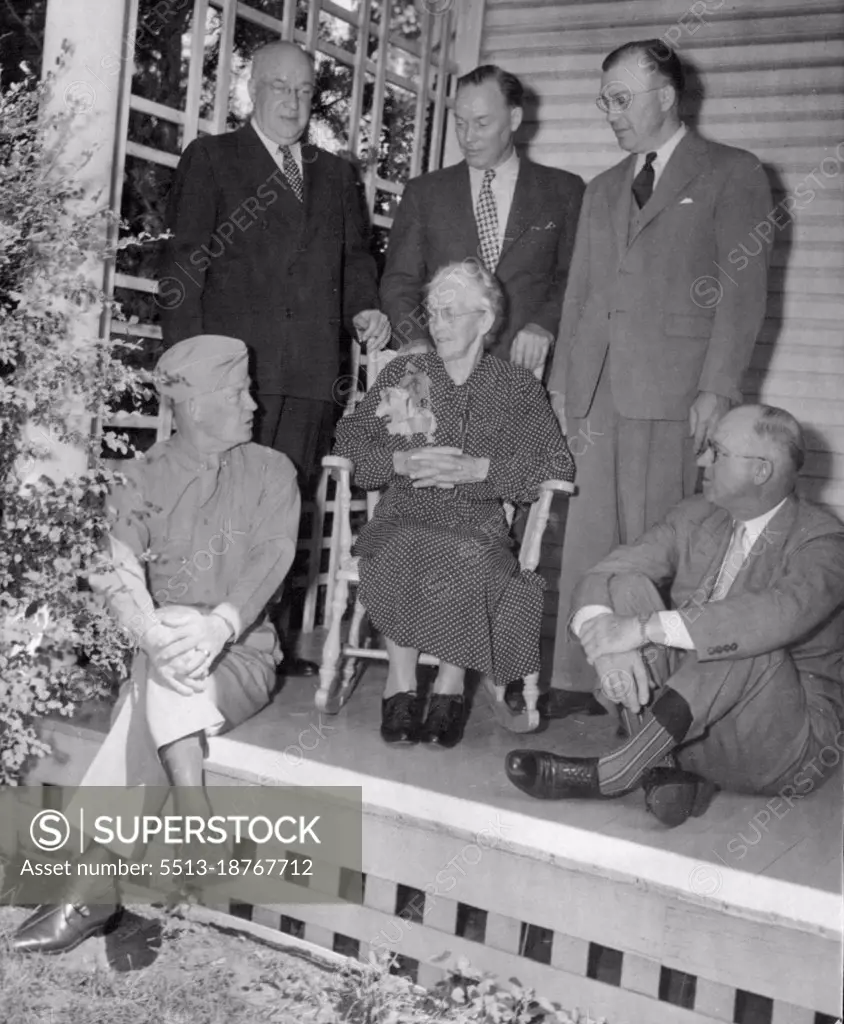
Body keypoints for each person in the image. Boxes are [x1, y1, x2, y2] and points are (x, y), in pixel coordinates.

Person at [13, 335, 301, 954]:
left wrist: (220, 623)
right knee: (159, 643)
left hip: (241, 655)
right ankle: (179, 834)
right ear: (194, 406)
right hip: (164, 653)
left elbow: (271, 558)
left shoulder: (273, 471)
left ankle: (91, 881)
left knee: (151, 676)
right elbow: (119, 571)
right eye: (237, 393)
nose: (254, 403)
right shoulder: (137, 478)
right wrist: (154, 631)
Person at [546, 40, 774, 706]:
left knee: (659, 546)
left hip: (678, 394)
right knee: (590, 542)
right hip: (597, 393)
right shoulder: (601, 189)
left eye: (621, 99)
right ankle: (581, 680)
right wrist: (562, 388)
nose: (609, 113)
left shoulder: (732, 172)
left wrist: (719, 387)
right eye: (604, 101)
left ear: (666, 97)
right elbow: (581, 296)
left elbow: (744, 292)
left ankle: (658, 693)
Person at [159, 41, 389, 674]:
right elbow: (184, 265)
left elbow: (354, 263)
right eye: (280, 88)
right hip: (236, 379)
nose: (293, 101)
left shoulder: (336, 174)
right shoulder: (212, 158)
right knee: (223, 506)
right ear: (251, 91)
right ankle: (209, 640)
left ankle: (270, 644)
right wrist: (188, 371)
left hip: (313, 372)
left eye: (305, 90)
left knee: (288, 506)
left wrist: (365, 308)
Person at [506, 405, 844, 826]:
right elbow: (605, 574)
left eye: (716, 452)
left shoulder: (824, 542)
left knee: (744, 638)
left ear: (761, 471)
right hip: (684, 731)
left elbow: (775, 615)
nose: (701, 459)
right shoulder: (695, 515)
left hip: (776, 747)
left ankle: (616, 773)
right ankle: (661, 769)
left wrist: (640, 629)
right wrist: (607, 643)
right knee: (625, 588)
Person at [333, 262, 575, 749]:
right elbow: (350, 437)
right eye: (432, 314)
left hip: (476, 523)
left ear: (484, 320)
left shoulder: (516, 387)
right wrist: (397, 461)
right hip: (401, 514)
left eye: (449, 314)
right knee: (403, 542)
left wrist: (482, 471)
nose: (436, 325)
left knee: (467, 553)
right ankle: (400, 687)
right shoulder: (407, 372)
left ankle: (450, 686)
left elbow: (555, 465)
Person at [380, 65, 584, 372]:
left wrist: (545, 326)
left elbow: (575, 276)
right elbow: (400, 282)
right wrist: (415, 341)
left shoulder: (563, 191)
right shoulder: (424, 193)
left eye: (482, 123)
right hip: (441, 371)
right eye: (460, 124)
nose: (468, 137)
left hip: (527, 374)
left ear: (514, 119)